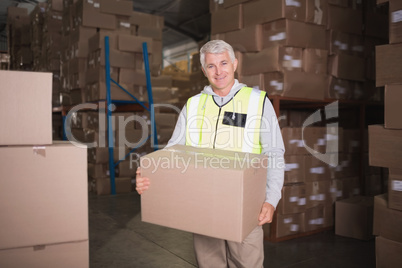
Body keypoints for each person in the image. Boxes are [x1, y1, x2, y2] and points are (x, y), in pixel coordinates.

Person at [136, 40, 285, 267]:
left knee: (247, 263)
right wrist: (150, 175)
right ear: (204, 70)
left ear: (234, 64)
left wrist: (271, 199)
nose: (219, 71)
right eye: (211, 66)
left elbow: (274, 152)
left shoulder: (257, 102)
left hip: (245, 204)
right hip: (202, 203)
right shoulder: (193, 105)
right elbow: (173, 152)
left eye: (223, 63)